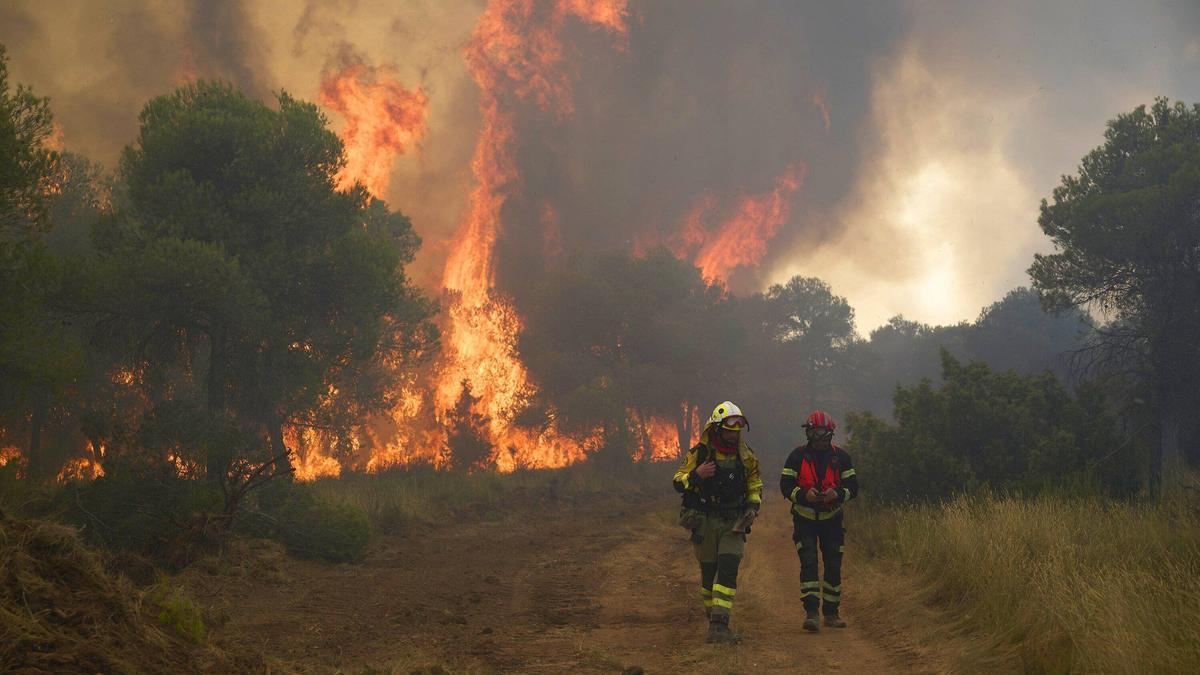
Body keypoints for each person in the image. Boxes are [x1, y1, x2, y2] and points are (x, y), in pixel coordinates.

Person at [673, 401, 763, 644]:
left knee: (728, 567)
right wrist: (696, 474)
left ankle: (719, 625)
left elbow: (755, 485)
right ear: (715, 429)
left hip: (733, 522)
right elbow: (677, 482)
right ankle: (712, 620)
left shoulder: (746, 457)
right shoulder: (699, 454)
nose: (733, 436)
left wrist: (753, 507)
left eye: (737, 431)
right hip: (704, 522)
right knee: (708, 575)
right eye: (728, 430)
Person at [779, 410, 859, 631]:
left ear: (831, 434)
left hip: (832, 521)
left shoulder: (842, 458)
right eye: (814, 433)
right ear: (808, 433)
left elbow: (853, 488)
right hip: (804, 520)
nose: (819, 438)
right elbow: (785, 486)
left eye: (823, 434)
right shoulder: (796, 457)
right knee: (809, 564)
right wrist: (805, 495)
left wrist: (838, 494)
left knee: (833, 566)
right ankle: (811, 613)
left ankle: (831, 614)